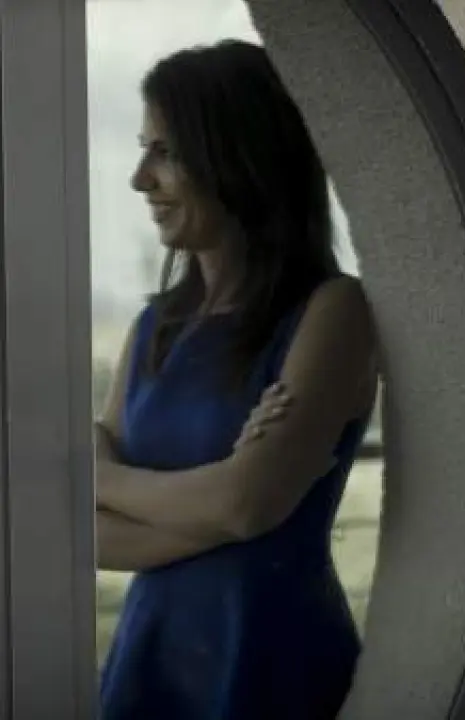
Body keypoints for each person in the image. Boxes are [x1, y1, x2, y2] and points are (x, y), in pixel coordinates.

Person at [93, 39, 378, 720]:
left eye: (165, 151)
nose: (139, 179)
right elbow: (90, 536)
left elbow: (244, 505)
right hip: (150, 661)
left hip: (271, 660)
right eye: (143, 149)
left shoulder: (334, 310)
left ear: (239, 156)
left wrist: (99, 477)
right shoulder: (152, 329)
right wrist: (225, 501)